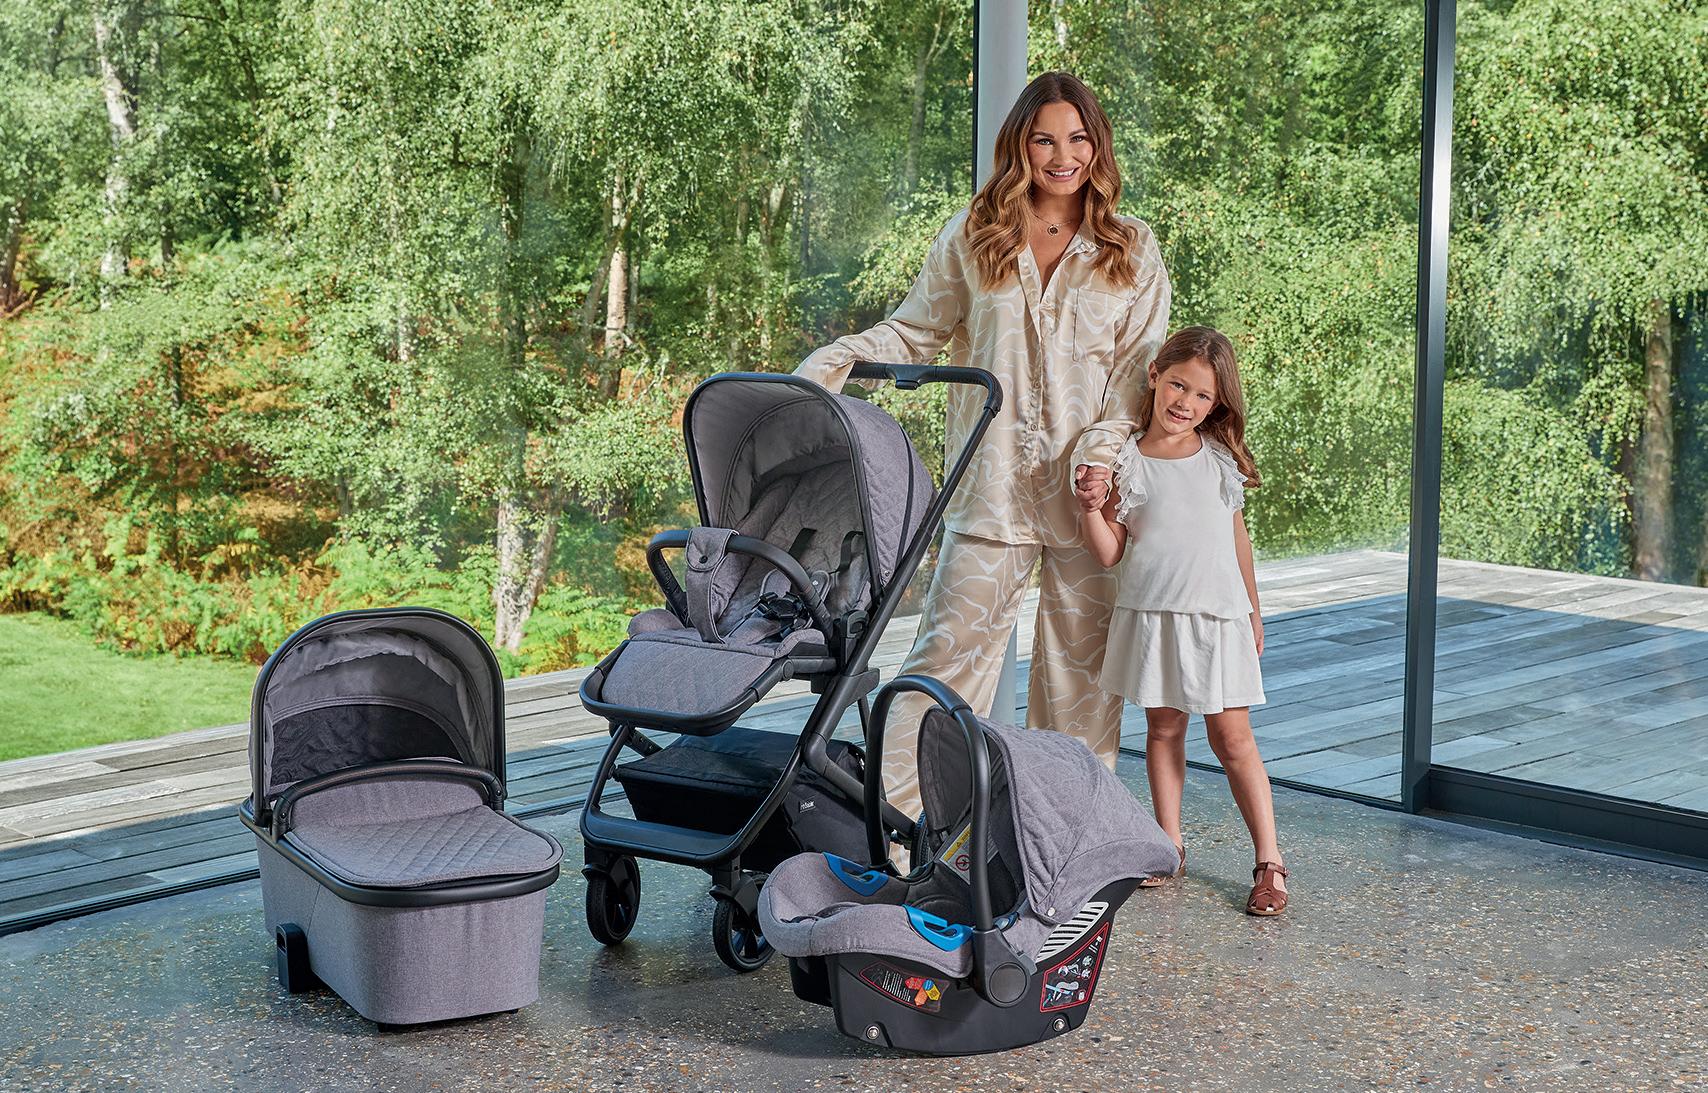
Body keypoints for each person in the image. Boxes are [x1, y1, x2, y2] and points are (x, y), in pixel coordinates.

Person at [794, 72, 1171, 858]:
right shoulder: (977, 232)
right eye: (1044, 139)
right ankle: (889, 835)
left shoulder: (1131, 248)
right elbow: (914, 332)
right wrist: (840, 357)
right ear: (1020, 146)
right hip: (991, 487)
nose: (1062, 155)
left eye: (1077, 139)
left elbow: (1139, 375)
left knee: (1080, 687)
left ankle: (1060, 852)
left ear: (1097, 145)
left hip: (1089, 499)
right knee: (940, 666)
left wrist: (1103, 453)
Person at [1077, 325, 1288, 915]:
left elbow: (1238, 539)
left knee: (1233, 739)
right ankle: (1167, 843)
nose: (1185, 403)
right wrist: (1090, 508)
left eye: (1202, 395)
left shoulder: (1218, 457)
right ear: (1155, 376)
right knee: (1164, 730)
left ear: (1216, 404)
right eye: (1178, 385)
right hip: (1154, 616)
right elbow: (1109, 551)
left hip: (1218, 617)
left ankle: (1269, 860)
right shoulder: (1126, 460)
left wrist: (1253, 610)